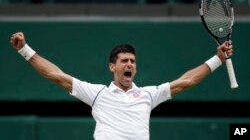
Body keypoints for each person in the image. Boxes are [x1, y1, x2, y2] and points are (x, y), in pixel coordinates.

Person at [10, 32, 233, 140]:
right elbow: (56, 75)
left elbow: (187, 81)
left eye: (132, 61)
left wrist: (217, 60)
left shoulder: (148, 94)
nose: (129, 64)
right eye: (124, 61)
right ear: (112, 67)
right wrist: (24, 50)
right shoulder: (98, 94)